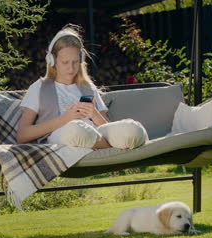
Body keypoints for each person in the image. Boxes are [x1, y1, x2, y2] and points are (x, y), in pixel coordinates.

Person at [16, 24, 147, 150]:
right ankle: (111, 149)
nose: (71, 68)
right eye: (65, 62)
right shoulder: (39, 88)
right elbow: (22, 135)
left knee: (133, 129)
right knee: (77, 130)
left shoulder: (88, 87)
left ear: (81, 60)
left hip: (94, 133)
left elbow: (106, 126)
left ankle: (105, 145)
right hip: (63, 135)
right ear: (52, 61)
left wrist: (94, 115)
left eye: (75, 62)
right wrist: (65, 119)